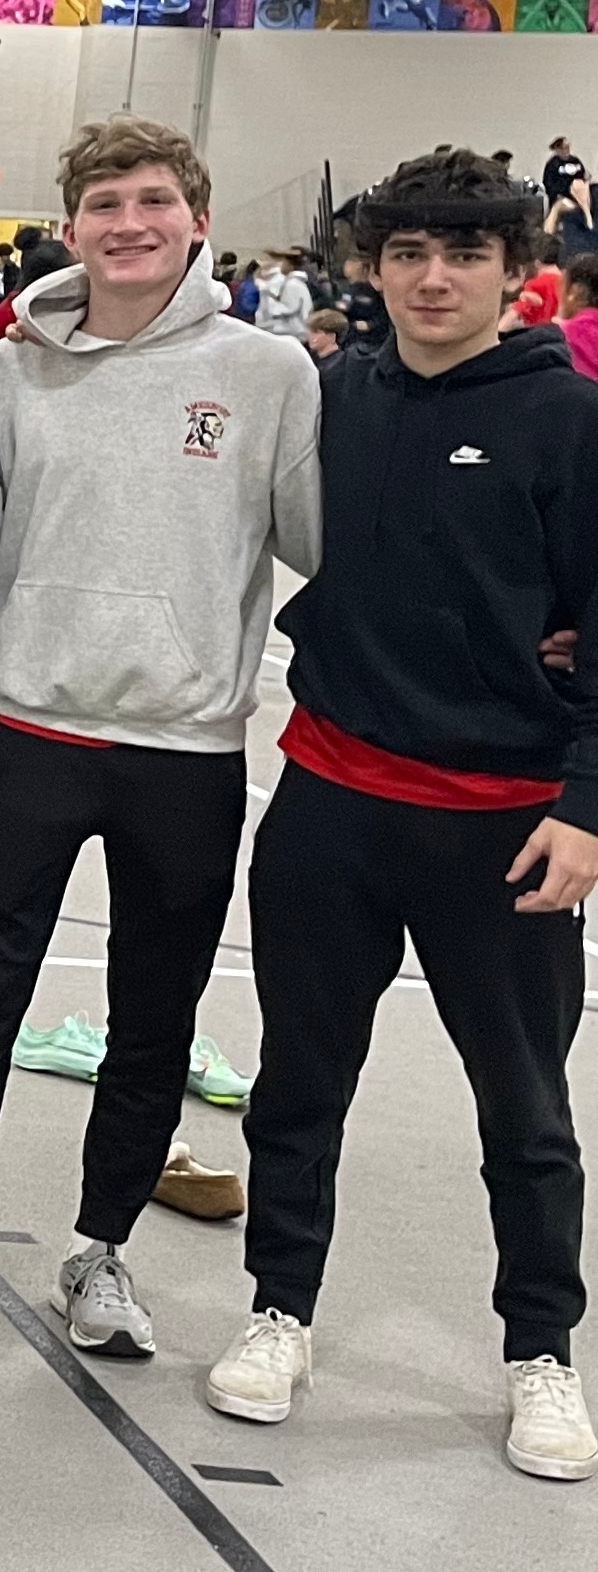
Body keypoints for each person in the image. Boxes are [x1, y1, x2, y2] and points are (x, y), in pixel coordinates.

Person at [0, 117, 322, 1369]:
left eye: (154, 200)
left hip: (186, 749)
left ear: (196, 217)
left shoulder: (268, 372)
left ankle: (100, 1246)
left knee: (151, 1016)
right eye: (106, 203)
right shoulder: (11, 371)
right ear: (70, 227)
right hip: (28, 730)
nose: (130, 222)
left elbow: (325, 553)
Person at [204, 149, 597, 1483]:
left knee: (527, 1112)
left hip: (504, 825)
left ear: (513, 274)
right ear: (370, 266)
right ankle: (280, 1310)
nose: (435, 279)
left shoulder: (571, 417)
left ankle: (541, 1348)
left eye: (465, 255)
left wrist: (588, 809)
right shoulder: (335, 397)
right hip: (329, 803)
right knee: (300, 1084)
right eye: (410, 253)